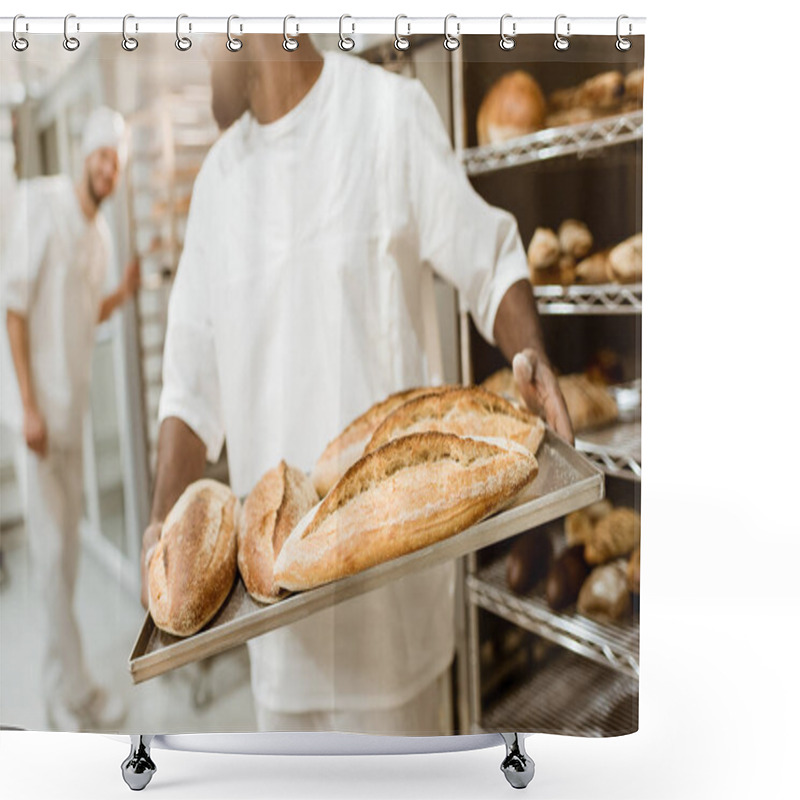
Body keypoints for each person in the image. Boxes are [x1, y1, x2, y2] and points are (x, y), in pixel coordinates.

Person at [139, 36, 572, 735]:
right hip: (278, 620)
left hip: (394, 619)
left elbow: (488, 258)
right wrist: (163, 522)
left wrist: (532, 356)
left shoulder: (386, 115)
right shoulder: (219, 180)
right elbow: (190, 382)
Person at [1, 106, 140, 731]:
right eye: (102, 156)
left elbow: (86, 317)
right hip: (37, 422)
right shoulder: (43, 206)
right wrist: (28, 407)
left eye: (117, 161)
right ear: (85, 154)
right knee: (53, 555)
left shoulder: (101, 238)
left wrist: (122, 294)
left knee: (67, 559)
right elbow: (15, 312)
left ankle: (68, 684)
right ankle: (66, 695)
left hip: (72, 415)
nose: (108, 168)